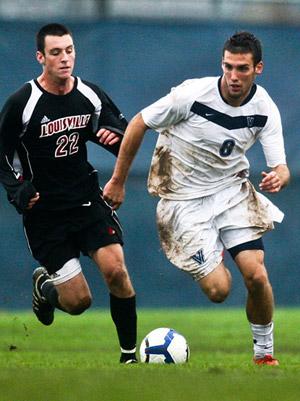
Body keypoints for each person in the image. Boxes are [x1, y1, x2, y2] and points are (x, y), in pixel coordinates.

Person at [103, 31, 290, 365]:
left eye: (242, 69)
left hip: (231, 193)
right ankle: (211, 245)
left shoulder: (264, 108)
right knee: (219, 291)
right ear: (222, 64)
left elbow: (282, 166)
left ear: (258, 68)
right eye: (228, 67)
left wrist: (279, 176)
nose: (233, 76)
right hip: (183, 202)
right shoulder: (191, 95)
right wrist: (117, 181)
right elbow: (138, 123)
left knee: (257, 274)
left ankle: (264, 354)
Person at [0, 23, 137, 364]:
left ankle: (130, 356)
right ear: (40, 57)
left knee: (116, 269)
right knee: (78, 303)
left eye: (70, 50)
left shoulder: (89, 95)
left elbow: (123, 134)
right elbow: (1, 152)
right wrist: (16, 189)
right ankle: (46, 289)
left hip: (86, 199)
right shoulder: (23, 102)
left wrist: (114, 137)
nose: (65, 58)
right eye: (56, 52)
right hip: (45, 212)